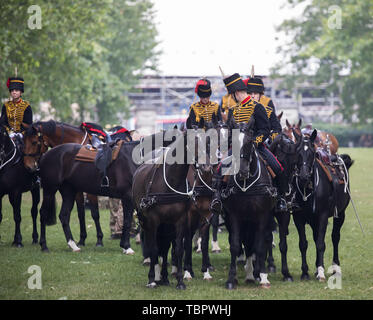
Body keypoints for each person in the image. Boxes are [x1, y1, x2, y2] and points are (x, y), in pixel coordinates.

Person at [210, 73, 287, 214]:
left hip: (256, 147)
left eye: (232, 94)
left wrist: (253, 143)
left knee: (278, 168)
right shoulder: (233, 110)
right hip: (237, 147)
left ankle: (281, 199)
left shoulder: (258, 107)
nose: (232, 97)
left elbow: (264, 130)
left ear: (236, 93)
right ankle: (218, 199)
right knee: (220, 170)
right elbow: (230, 131)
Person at [245, 76, 282, 143]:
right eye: (250, 93)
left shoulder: (269, 111)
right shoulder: (239, 110)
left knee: (271, 154)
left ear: (260, 95)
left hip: (260, 143)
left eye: (255, 93)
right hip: (241, 143)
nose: (252, 96)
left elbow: (277, 129)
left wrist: (269, 140)